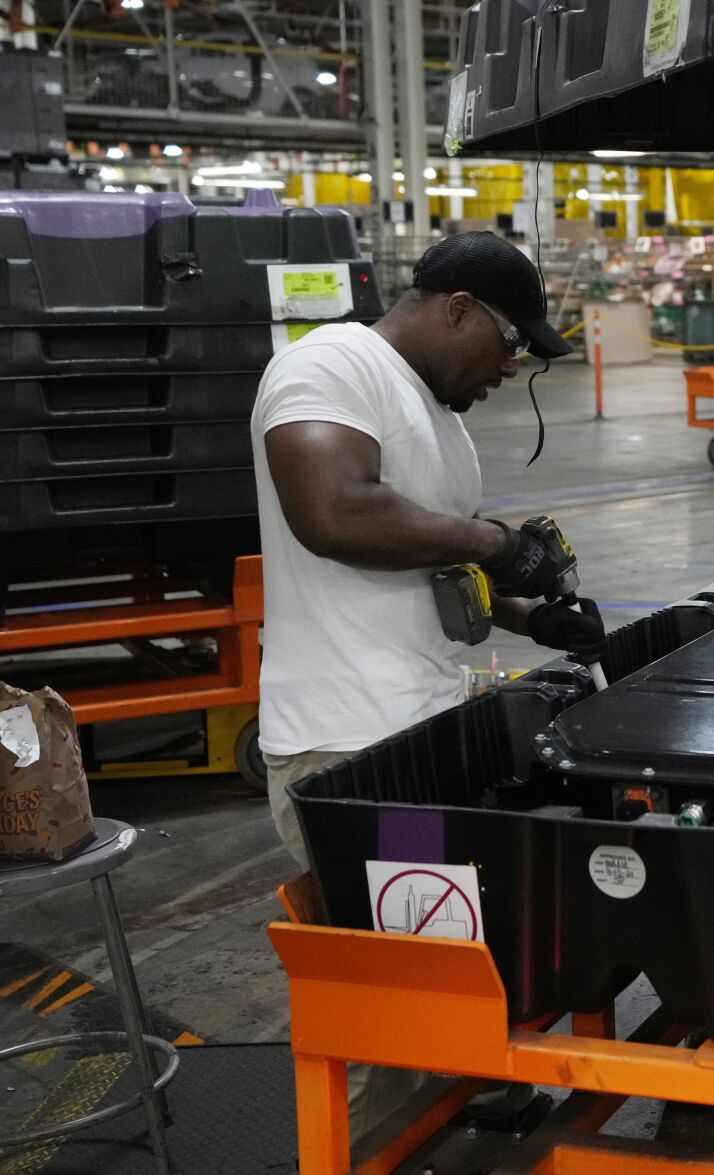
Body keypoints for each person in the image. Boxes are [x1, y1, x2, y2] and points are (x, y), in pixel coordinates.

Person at [250, 231, 605, 868]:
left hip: (424, 721)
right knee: (409, 917)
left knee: (448, 913)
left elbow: (435, 555)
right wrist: (494, 541)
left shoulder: (438, 413)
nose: (513, 365)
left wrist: (529, 617)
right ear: (459, 308)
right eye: (512, 341)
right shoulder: (330, 364)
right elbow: (334, 515)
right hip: (353, 746)